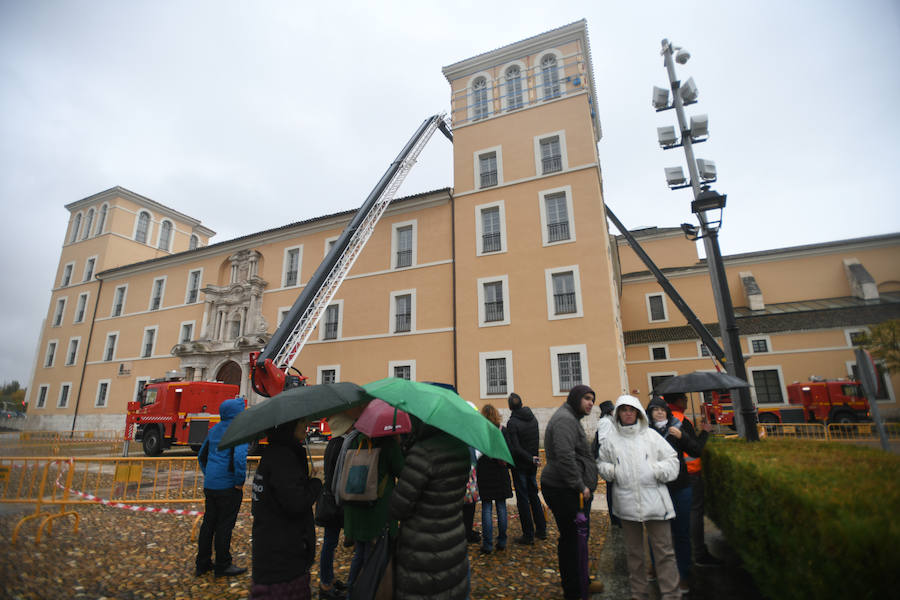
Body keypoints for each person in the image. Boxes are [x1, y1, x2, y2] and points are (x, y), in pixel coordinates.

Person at [597, 395, 681, 600]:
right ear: (618, 414)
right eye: (623, 410)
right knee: (634, 554)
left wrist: (656, 470)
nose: (627, 413)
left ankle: (671, 593)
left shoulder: (651, 436)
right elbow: (601, 462)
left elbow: (672, 459)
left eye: (631, 409)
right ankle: (639, 593)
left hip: (655, 502)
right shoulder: (611, 440)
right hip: (627, 504)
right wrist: (613, 472)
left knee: (664, 552)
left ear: (637, 413)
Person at [389, 421, 470, 600]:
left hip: (421, 549)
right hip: (453, 540)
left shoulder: (423, 453)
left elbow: (398, 508)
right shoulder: (461, 449)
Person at [249, 418, 323, 599]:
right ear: (289, 426)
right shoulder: (284, 457)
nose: (306, 427)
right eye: (301, 423)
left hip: (273, 552)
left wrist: (305, 480)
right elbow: (296, 503)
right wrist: (316, 483)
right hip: (283, 558)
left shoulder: (274, 454)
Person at [540, 384, 602, 600]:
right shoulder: (565, 420)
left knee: (577, 540)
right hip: (565, 490)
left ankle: (581, 581)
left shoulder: (570, 417)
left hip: (567, 488)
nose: (590, 403)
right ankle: (574, 590)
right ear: (576, 399)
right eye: (586, 398)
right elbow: (565, 457)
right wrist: (580, 485)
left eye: (592, 399)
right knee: (572, 541)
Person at [647, 396, 704, 593]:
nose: (660, 412)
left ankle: (683, 574)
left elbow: (696, 450)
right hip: (656, 488)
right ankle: (657, 568)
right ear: (650, 413)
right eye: (655, 410)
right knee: (656, 533)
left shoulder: (679, 427)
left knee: (681, 533)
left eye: (662, 409)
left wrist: (683, 437)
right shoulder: (646, 433)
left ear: (667, 411)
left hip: (680, 486)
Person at [342, 432, 405, 597]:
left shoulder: (356, 440)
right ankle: (368, 592)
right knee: (374, 560)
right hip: (377, 513)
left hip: (355, 508)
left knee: (359, 554)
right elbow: (402, 471)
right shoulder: (388, 444)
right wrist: (399, 446)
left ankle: (351, 591)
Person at [664, 392, 723, 568]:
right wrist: (704, 432)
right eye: (685, 399)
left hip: (675, 474)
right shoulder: (681, 419)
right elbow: (695, 447)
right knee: (695, 513)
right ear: (679, 400)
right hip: (690, 472)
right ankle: (698, 552)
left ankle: (681, 552)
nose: (687, 401)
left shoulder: (666, 418)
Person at [195, 396, 249, 578]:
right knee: (225, 526)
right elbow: (239, 459)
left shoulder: (214, 429)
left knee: (208, 524)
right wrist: (239, 481)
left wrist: (209, 474)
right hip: (228, 486)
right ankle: (223, 565)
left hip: (211, 485)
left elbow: (201, 455)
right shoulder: (239, 431)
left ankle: (202, 564)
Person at [316, 412, 354, 600]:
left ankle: (328, 579)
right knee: (330, 543)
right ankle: (325, 584)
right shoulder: (342, 445)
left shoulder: (333, 443)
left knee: (330, 543)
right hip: (336, 500)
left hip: (331, 498)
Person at [505, 392, 547, 545]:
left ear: (510, 407)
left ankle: (528, 534)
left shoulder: (513, 423)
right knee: (534, 495)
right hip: (531, 463)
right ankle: (541, 529)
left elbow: (515, 448)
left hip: (521, 465)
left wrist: (529, 458)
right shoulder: (533, 418)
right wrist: (533, 458)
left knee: (523, 499)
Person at [476, 403, 513, 554]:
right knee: (501, 507)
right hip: (500, 472)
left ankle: (488, 544)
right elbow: (509, 451)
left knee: (486, 508)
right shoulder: (503, 430)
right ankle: (502, 541)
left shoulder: (480, 431)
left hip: (484, 473)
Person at [591, 400, 619, 527]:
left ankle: (616, 516)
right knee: (611, 488)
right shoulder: (606, 422)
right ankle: (614, 518)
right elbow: (603, 440)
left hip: (610, 459)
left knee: (612, 489)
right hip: (608, 460)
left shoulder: (609, 421)